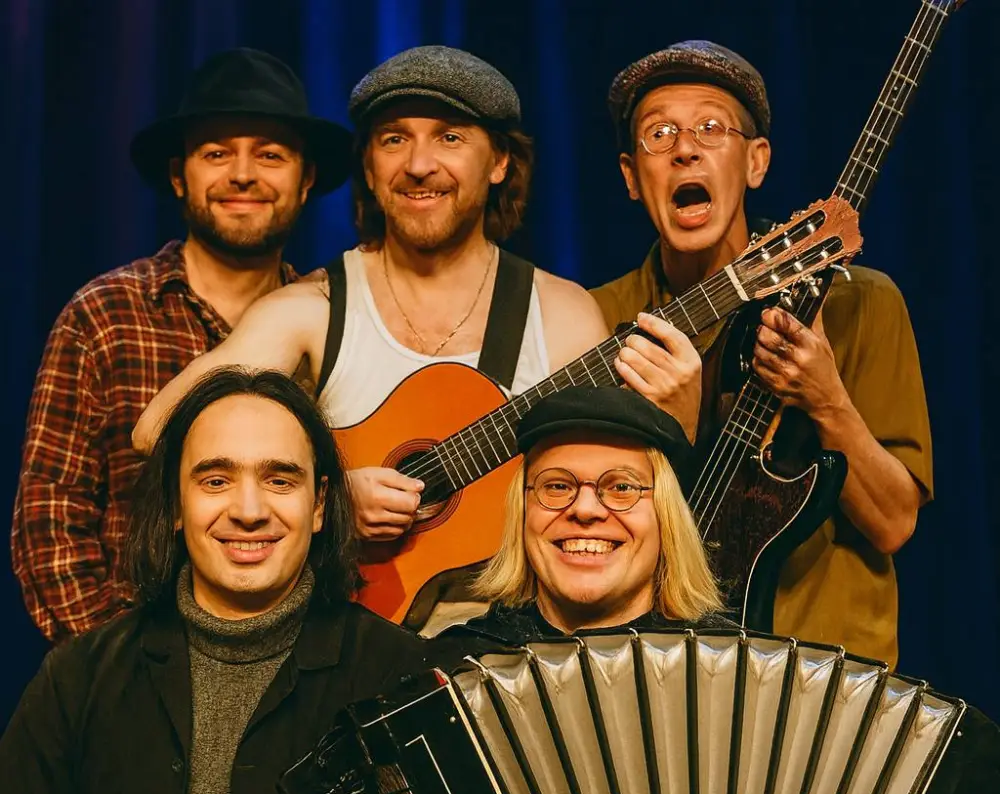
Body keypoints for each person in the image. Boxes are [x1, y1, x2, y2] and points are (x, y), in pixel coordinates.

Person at [273, 385, 997, 794]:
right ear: (522, 513)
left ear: (667, 518)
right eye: (556, 486)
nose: (586, 508)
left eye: (623, 487)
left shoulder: (751, 684)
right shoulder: (441, 684)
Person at [0, 369, 426, 794]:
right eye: (216, 480)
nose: (248, 511)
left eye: (279, 479)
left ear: (318, 506)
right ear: (175, 505)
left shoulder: (397, 680)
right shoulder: (80, 675)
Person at [133, 46, 643, 550]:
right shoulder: (312, 309)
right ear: (369, 167)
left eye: (449, 137)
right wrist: (327, 496)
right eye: (394, 139)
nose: (418, 165)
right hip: (357, 604)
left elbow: (616, 495)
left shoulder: (561, 315)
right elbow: (155, 429)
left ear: (499, 162)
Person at [589, 41, 932, 665]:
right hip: (656, 669)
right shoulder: (595, 319)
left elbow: (893, 524)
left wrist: (827, 401)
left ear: (755, 162)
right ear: (631, 177)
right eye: (659, 134)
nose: (685, 149)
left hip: (822, 674)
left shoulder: (862, 303)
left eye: (711, 128)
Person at [11, 48, 351, 642]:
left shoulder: (335, 325)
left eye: (270, 155)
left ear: (306, 181)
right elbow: (50, 520)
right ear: (178, 176)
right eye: (216, 153)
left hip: (298, 665)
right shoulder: (104, 316)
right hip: (131, 654)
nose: (242, 174)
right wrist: (113, 667)